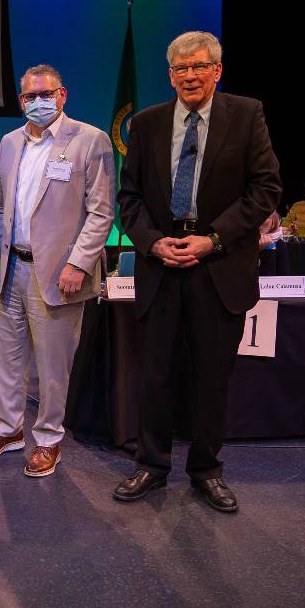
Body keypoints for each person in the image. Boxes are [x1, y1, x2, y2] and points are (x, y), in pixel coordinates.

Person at [116, 31, 282, 513]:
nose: (189, 75)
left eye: (199, 66)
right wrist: (152, 242)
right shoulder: (146, 124)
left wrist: (213, 239)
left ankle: (207, 470)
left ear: (217, 70)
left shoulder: (247, 115)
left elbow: (265, 189)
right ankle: (150, 464)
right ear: (170, 75)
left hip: (219, 265)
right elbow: (130, 198)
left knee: (213, 377)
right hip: (160, 265)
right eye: (180, 68)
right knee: (155, 374)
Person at [0, 65, 113, 476]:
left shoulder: (90, 140)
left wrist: (78, 264)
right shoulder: (10, 142)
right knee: (8, 358)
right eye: (29, 97)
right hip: (13, 265)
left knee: (53, 366)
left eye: (45, 94)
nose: (37, 103)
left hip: (60, 274)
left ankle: (48, 439)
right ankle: (9, 428)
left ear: (62, 94)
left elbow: (101, 213)